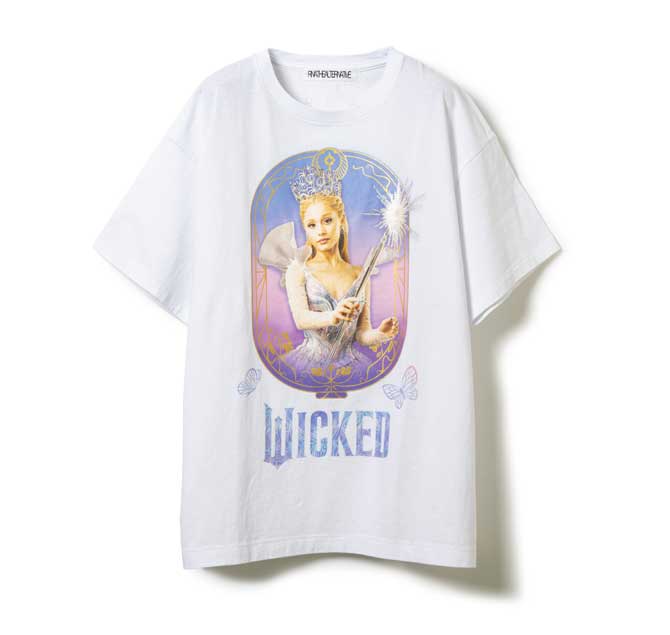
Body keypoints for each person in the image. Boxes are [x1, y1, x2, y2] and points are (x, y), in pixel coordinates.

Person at [258, 174, 398, 378]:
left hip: (351, 366)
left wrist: (380, 334)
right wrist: (333, 316)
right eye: (312, 225)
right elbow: (301, 319)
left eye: (327, 220)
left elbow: (361, 333)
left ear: (341, 221)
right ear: (305, 229)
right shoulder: (298, 269)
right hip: (309, 364)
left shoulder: (359, 274)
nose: (321, 231)